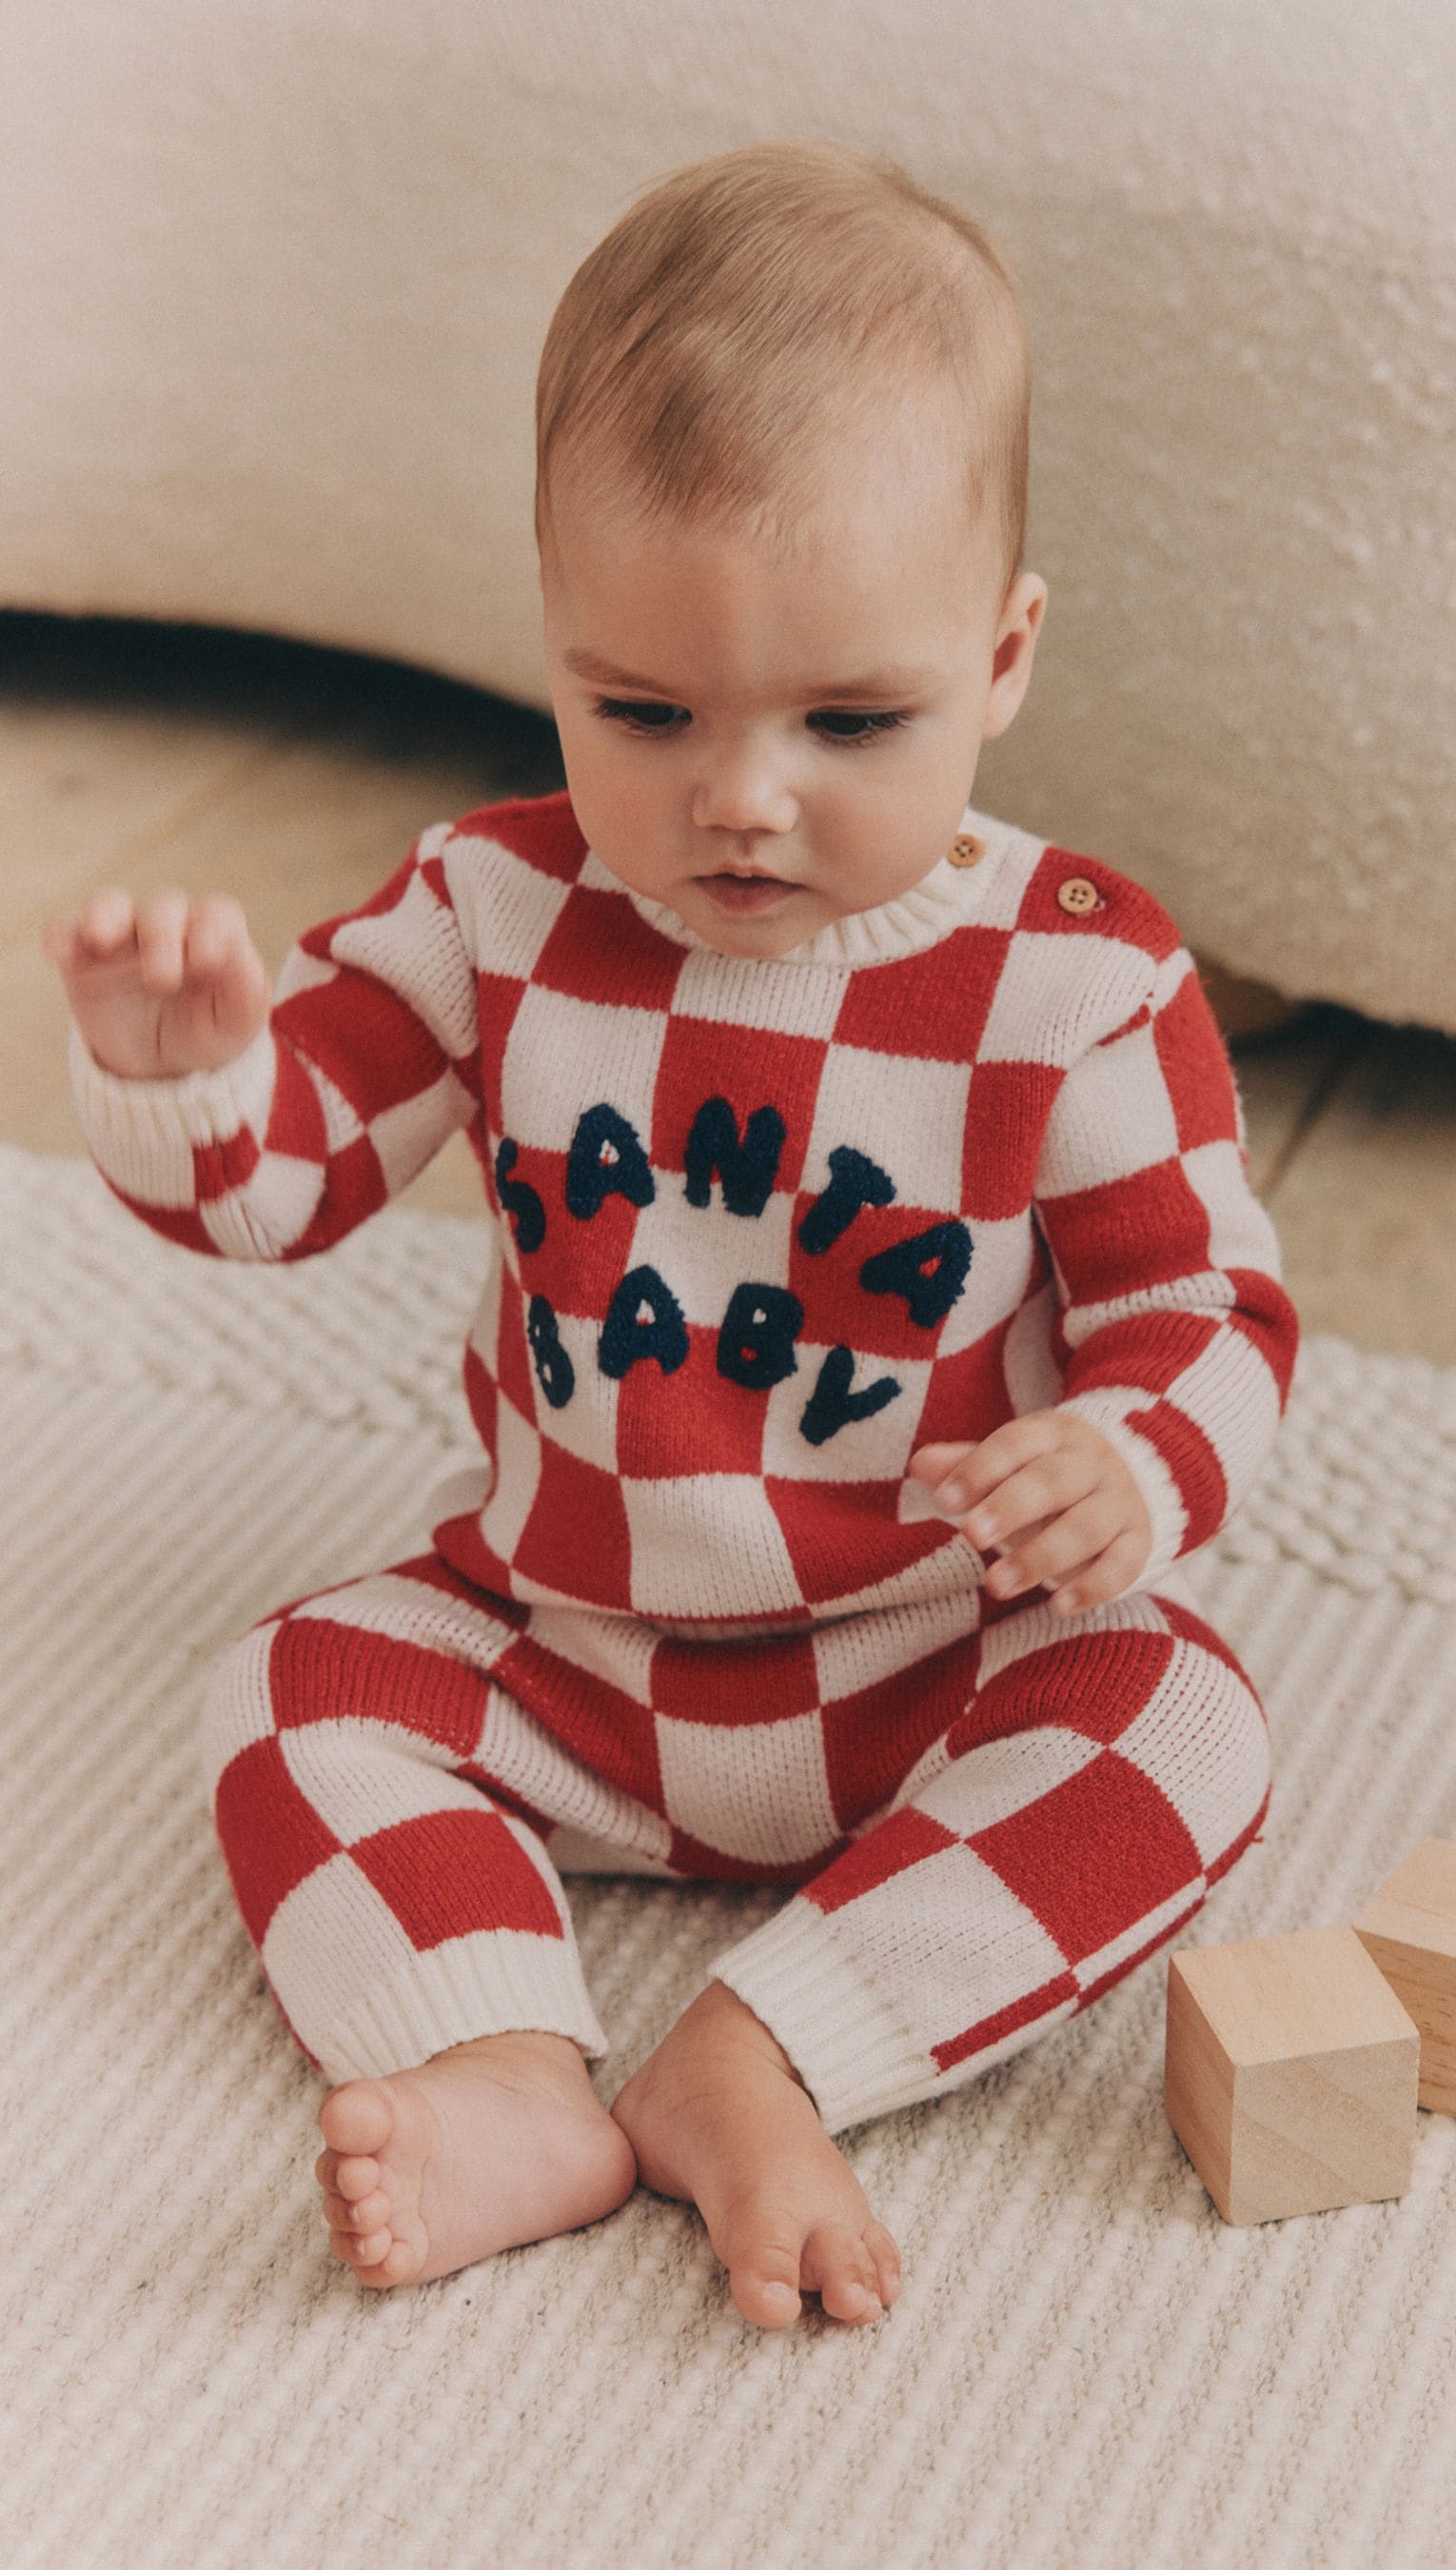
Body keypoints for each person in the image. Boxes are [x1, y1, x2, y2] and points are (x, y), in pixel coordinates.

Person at [43, 140, 1298, 2331]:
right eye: (645, 711)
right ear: (549, 639)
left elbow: (1209, 1307)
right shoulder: (498, 909)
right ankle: (511, 2065)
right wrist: (187, 1073)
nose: (741, 793)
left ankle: (768, 2047)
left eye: (852, 720)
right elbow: (285, 1177)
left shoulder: (1075, 978)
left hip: (933, 1655)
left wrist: (1130, 1458)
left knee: (1187, 1722)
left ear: (999, 662)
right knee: (291, 1687)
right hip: (566, 1645)